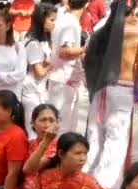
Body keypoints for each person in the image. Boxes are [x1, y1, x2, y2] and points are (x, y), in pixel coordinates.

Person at [84, 0, 138, 189]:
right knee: (116, 137)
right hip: (122, 88)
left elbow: (87, 59)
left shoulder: (100, 30)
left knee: (95, 133)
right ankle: (106, 185)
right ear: (134, 9)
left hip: (100, 87)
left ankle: (88, 177)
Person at [46, 0, 87, 135]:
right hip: (64, 80)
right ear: (87, 5)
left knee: (62, 121)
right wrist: (85, 49)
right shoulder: (70, 23)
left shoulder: (65, 20)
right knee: (62, 125)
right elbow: (64, 52)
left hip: (63, 79)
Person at [21, 3, 56, 139]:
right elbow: (39, 72)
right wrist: (51, 64)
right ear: (42, 19)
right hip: (32, 91)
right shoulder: (34, 43)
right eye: (51, 20)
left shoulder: (43, 40)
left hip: (39, 89)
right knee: (33, 131)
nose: (54, 23)